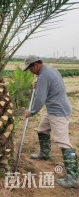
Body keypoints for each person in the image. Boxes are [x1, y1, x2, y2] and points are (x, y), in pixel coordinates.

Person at [23, 55, 79, 189]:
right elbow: (50, 86)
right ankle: (45, 153)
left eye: (31, 69)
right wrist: (39, 84)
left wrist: (31, 112)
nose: (31, 72)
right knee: (42, 129)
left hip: (58, 112)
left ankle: (74, 177)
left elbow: (40, 98)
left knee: (63, 142)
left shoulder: (43, 76)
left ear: (36, 65)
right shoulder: (51, 70)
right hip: (54, 109)